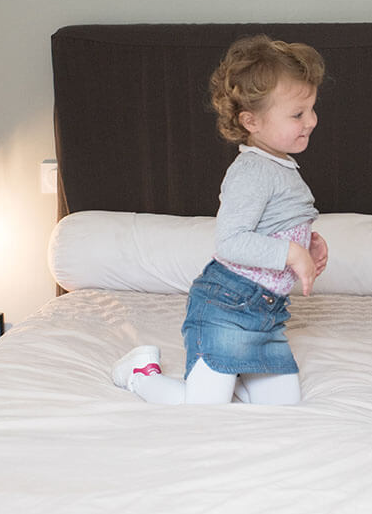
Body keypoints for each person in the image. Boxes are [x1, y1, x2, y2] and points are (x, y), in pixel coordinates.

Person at [111, 34, 328, 405]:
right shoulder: (251, 171)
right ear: (251, 121)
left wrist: (309, 241)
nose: (311, 121)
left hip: (267, 315)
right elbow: (230, 241)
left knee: (284, 407)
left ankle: (234, 375)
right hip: (227, 308)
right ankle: (138, 374)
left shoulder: (281, 165)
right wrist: (292, 253)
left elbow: (274, 224)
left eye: (311, 109)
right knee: (204, 409)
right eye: (297, 114)